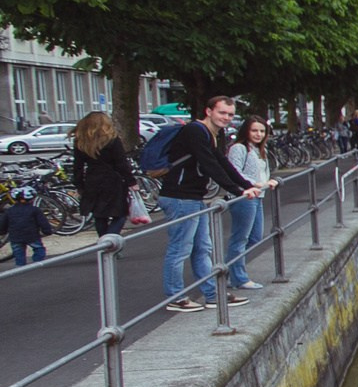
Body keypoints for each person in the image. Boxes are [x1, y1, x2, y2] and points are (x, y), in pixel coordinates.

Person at [158, 96, 263, 313]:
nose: (226, 118)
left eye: (230, 115)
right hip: (179, 196)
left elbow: (222, 162)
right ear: (208, 111)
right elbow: (209, 164)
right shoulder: (195, 131)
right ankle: (175, 296)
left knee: (202, 248)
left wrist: (244, 185)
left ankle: (213, 294)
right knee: (180, 248)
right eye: (222, 113)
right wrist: (239, 190)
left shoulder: (213, 134)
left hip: (195, 197)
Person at [225, 116, 277, 290]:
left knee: (255, 237)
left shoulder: (259, 149)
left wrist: (269, 181)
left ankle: (228, 268)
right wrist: (256, 184)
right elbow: (235, 172)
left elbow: (262, 173)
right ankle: (238, 278)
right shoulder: (239, 148)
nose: (258, 134)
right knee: (240, 237)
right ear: (246, 130)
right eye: (254, 130)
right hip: (244, 197)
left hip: (257, 196)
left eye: (262, 131)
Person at [71, 111, 141, 237]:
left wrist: (80, 185)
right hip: (113, 180)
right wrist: (131, 181)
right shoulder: (112, 140)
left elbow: (78, 167)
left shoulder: (81, 142)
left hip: (92, 179)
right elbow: (121, 163)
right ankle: (111, 240)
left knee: (99, 215)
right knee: (120, 213)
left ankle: (103, 241)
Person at [5, 187, 53, 266]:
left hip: (15, 236)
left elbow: (3, 223)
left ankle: (20, 267)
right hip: (32, 235)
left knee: (18, 253)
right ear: (31, 199)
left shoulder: (9, 211)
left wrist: (2, 231)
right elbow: (43, 222)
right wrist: (47, 231)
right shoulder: (35, 210)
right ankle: (37, 264)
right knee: (39, 249)